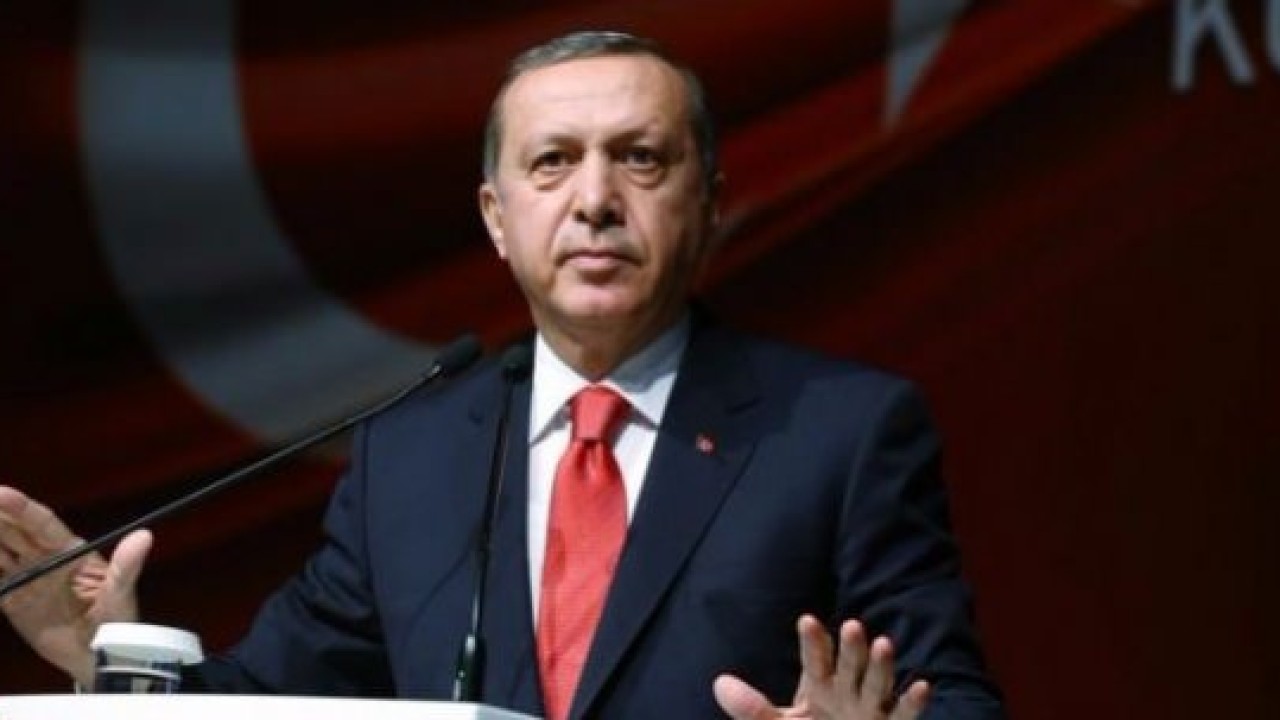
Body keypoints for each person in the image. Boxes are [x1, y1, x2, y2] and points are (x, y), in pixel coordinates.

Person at [0, 31, 1004, 720]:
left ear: (708, 202)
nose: (595, 199)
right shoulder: (413, 455)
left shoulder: (840, 433)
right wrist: (108, 660)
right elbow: (268, 701)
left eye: (640, 159)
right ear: (496, 217)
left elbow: (953, 700)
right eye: (552, 162)